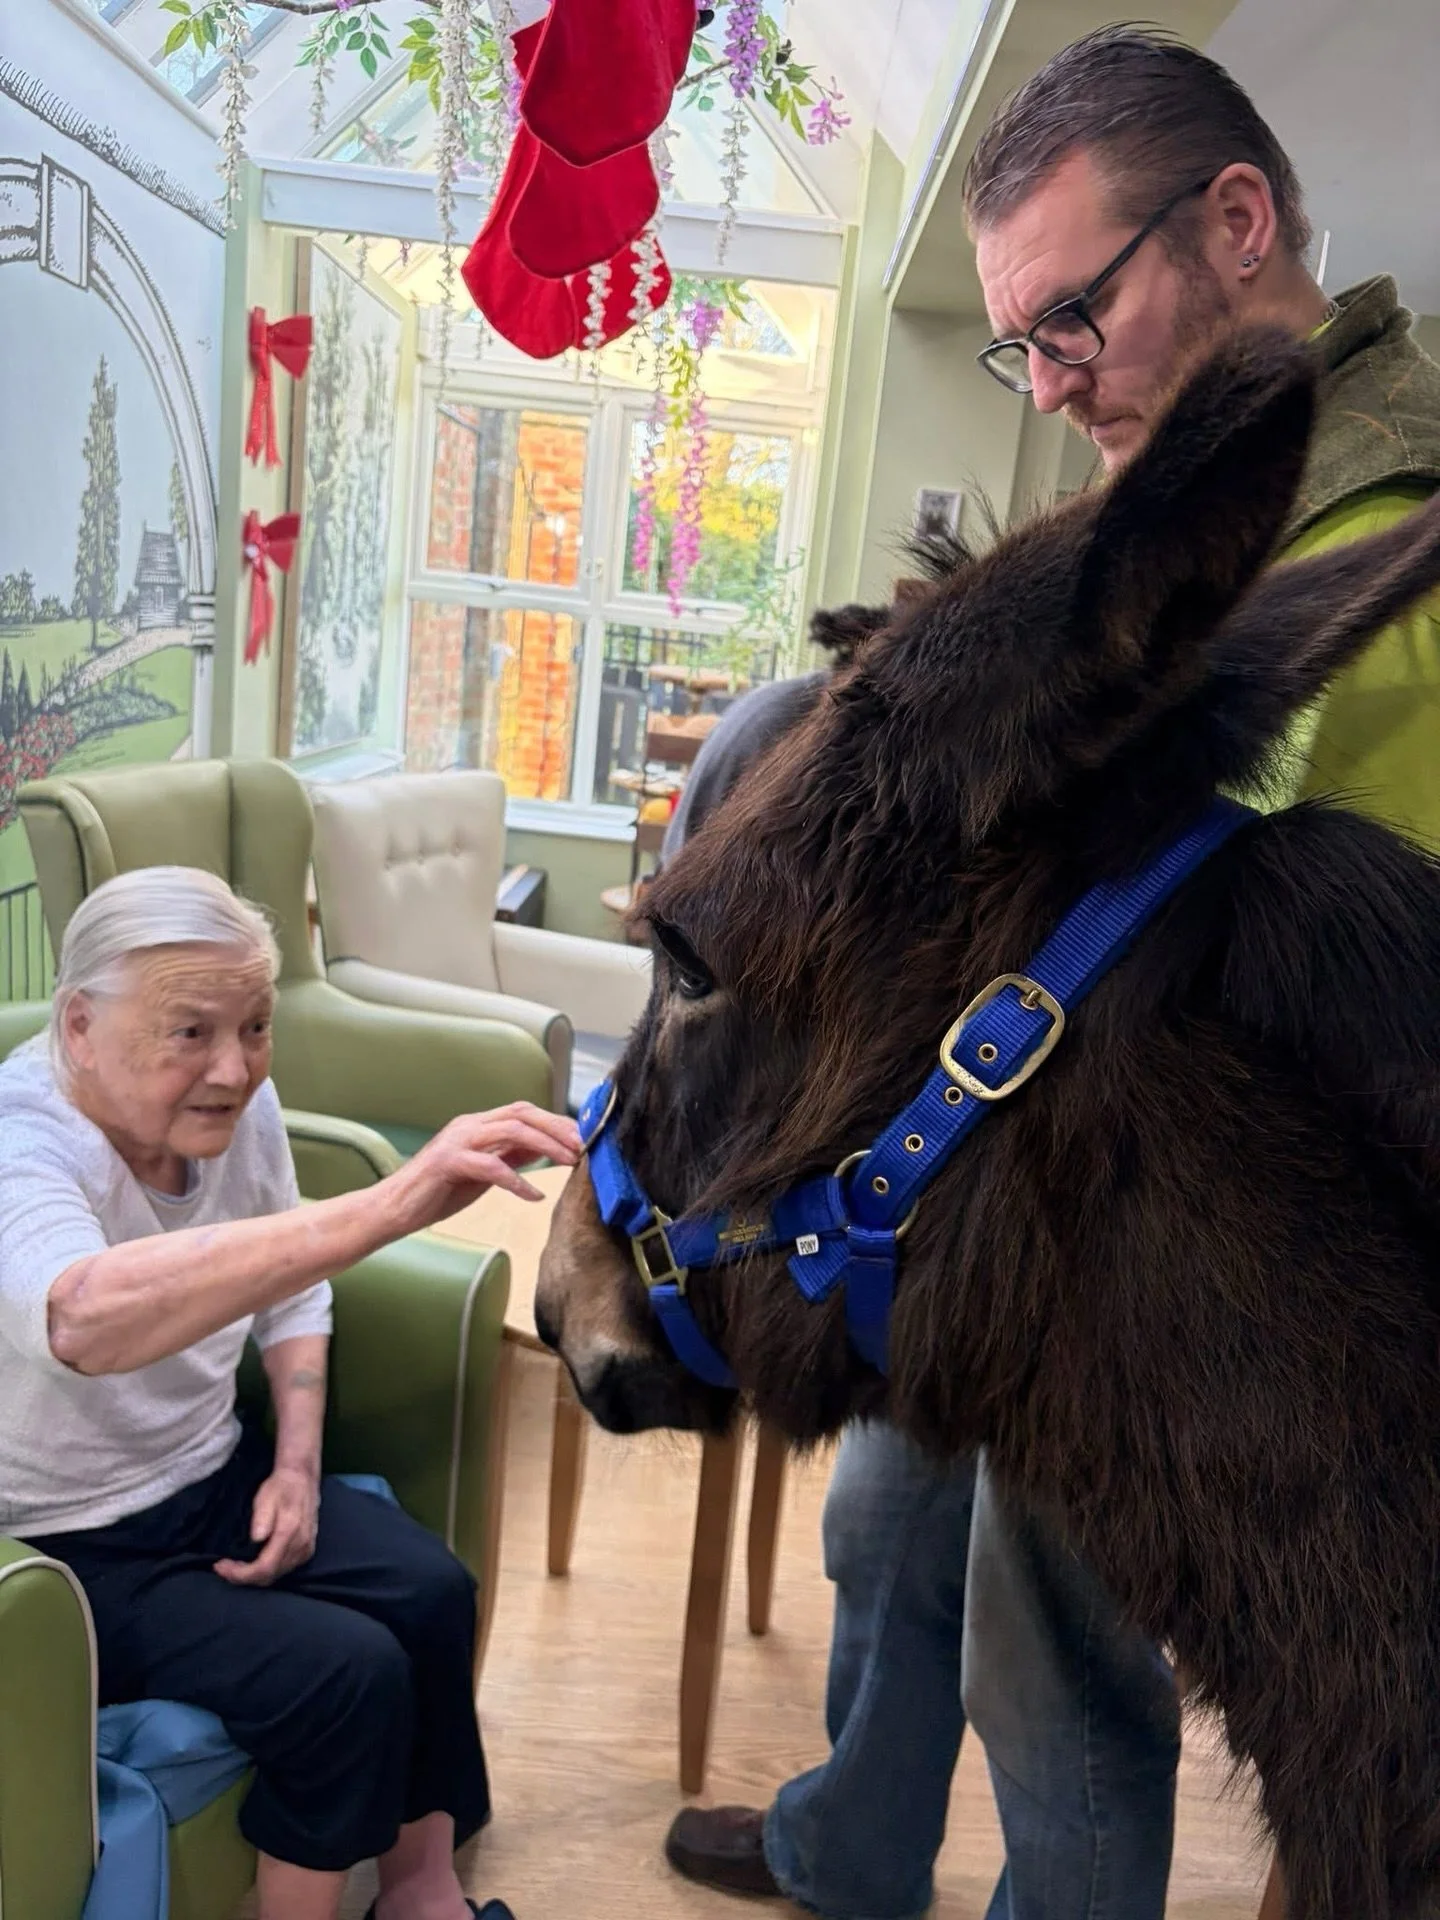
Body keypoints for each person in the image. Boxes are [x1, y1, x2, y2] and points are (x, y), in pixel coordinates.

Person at [664, 24, 1440, 1920]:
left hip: (1156, 1256)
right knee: (881, 1509)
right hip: (1011, 1156)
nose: (1055, 380)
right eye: (1025, 343)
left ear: (1237, 221)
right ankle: (852, 1840)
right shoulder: (1200, 490)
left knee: (1049, 1641)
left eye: (1073, 316)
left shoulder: (1390, 545)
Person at [0, 865, 582, 1920]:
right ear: (79, 1026)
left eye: (256, 1027)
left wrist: (299, 1469)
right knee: (343, 1676)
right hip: (65, 1546)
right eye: (191, 1032)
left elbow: (292, 1290)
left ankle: (420, 1893)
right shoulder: (22, 1139)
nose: (234, 1068)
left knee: (432, 1591)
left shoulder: (236, 1105)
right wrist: (394, 1202)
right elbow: (79, 1316)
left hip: (211, 1475)